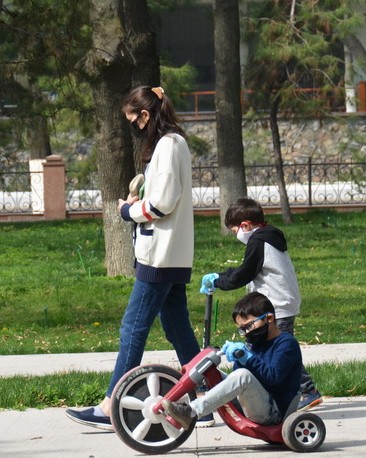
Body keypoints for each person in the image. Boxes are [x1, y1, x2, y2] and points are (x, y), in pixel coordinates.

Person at [65, 85, 211, 430]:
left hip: (160, 255)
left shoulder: (169, 145)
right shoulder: (171, 144)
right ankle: (205, 398)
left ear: (146, 116)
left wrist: (129, 210)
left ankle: (110, 407)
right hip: (165, 252)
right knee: (178, 330)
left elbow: (161, 204)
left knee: (132, 328)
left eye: (133, 120)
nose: (133, 127)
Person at [200, 197, 323, 411]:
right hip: (279, 302)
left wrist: (219, 281)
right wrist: (221, 275)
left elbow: (244, 274)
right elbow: (248, 269)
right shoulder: (268, 236)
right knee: (271, 349)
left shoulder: (258, 241)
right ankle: (295, 389)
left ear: (245, 225)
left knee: (273, 350)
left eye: (234, 230)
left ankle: (306, 390)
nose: (235, 234)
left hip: (276, 306)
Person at [162, 292, 303, 429]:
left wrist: (246, 358)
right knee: (212, 372)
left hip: (274, 411)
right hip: (255, 403)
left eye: (249, 326)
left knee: (243, 375)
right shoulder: (256, 343)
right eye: (242, 329)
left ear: (269, 318)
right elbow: (239, 378)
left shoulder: (287, 344)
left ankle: (191, 411)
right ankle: (176, 402)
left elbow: (273, 376)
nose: (247, 332)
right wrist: (239, 359)